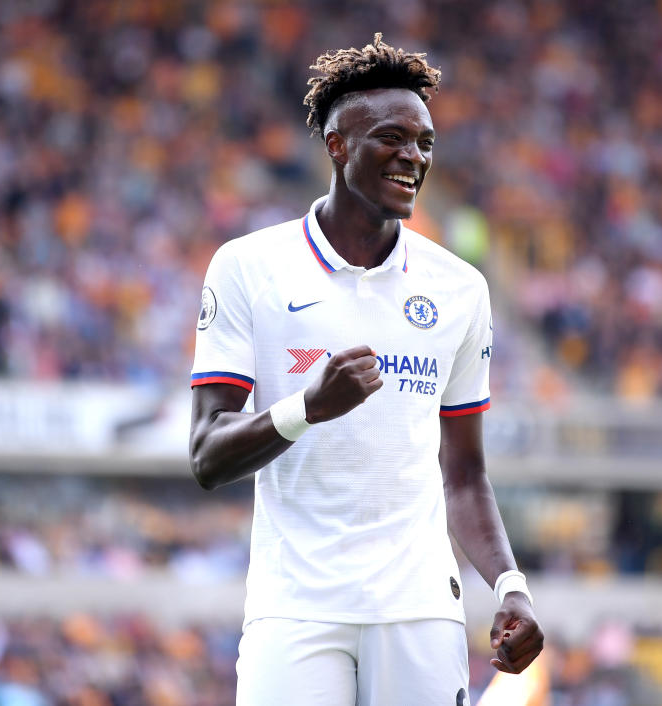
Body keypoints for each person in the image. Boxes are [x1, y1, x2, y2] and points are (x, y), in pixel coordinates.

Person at [189, 33, 543, 705]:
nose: (413, 156)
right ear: (337, 145)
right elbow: (206, 456)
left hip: (419, 609)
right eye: (393, 138)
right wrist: (305, 409)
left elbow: (464, 475)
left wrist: (510, 586)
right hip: (295, 606)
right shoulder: (247, 268)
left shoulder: (459, 289)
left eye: (426, 143)